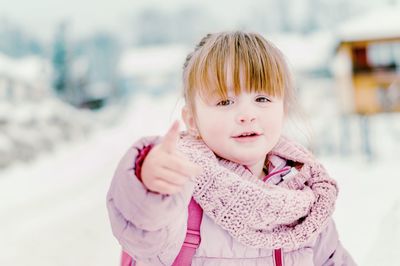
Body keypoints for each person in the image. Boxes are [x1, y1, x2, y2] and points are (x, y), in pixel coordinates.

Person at [106, 31, 356, 265]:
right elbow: (141, 228)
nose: (247, 115)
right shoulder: (184, 188)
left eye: (262, 99)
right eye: (225, 101)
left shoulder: (304, 199)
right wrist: (149, 181)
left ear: (283, 109)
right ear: (192, 120)